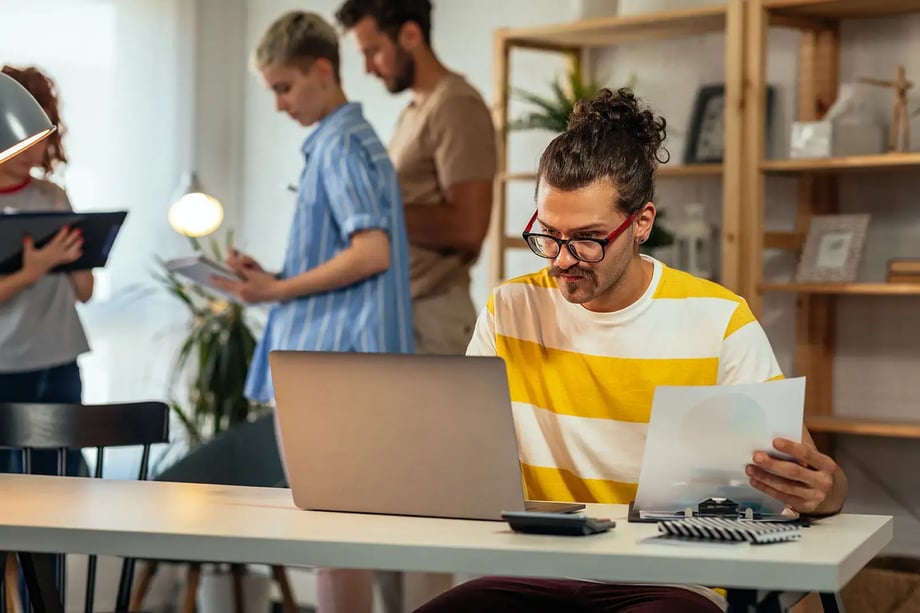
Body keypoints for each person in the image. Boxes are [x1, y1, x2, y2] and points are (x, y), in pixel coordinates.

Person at [416, 89, 849, 613]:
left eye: (588, 239)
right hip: (535, 571)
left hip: (671, 581)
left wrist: (825, 493)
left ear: (641, 223)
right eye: (548, 235)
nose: (562, 261)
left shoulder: (718, 320)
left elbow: (807, 479)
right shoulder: (509, 310)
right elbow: (456, 456)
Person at [211, 11, 413, 613]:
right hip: (341, 362)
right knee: (338, 534)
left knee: (330, 534)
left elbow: (370, 251)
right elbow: (351, 253)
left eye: (283, 87)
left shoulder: (340, 144)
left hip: (331, 367)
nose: (278, 104)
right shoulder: (349, 141)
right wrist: (273, 279)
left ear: (322, 70)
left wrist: (275, 292)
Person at [336, 0, 497, 356]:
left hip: (434, 318)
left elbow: (469, 227)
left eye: (373, 51)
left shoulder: (456, 106)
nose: (367, 68)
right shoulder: (414, 110)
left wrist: (374, 209)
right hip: (401, 311)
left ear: (410, 35)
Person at [0, 65, 93, 476]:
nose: (36, 151)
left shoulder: (54, 196)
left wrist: (79, 250)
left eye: (41, 137)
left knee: (61, 479)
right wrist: (30, 270)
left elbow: (85, 291)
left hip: (59, 361)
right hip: (6, 364)